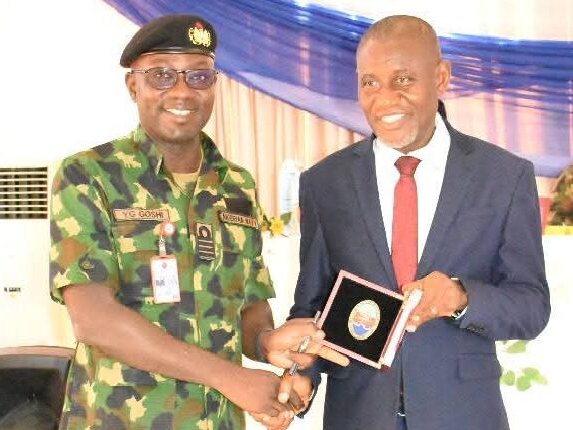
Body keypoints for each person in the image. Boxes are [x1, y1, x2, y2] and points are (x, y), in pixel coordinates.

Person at [49, 14, 325, 430]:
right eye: (161, 75)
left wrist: (267, 342)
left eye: (198, 76)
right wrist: (231, 378)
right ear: (133, 86)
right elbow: (94, 320)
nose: (181, 91)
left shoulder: (236, 185)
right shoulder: (89, 175)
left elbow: (248, 305)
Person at [274, 15, 550, 430]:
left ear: (441, 78)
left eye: (402, 79)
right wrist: (303, 376)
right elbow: (313, 308)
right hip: (358, 416)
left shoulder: (504, 177)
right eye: (369, 82)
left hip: (463, 415)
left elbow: (531, 305)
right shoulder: (324, 183)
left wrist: (459, 297)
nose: (384, 100)